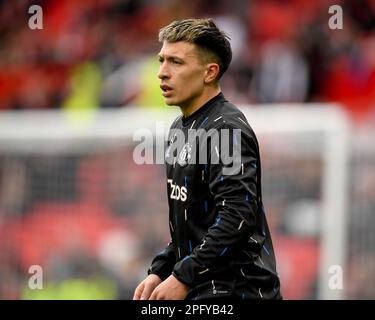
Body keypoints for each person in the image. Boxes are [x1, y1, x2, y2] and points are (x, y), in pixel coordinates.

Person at [133, 18, 282, 300]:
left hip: (238, 292)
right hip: (203, 289)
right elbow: (195, 224)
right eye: (161, 60)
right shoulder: (180, 128)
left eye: (176, 62)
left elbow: (237, 216)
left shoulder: (225, 128)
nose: (162, 73)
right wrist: (162, 268)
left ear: (209, 72)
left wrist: (183, 275)